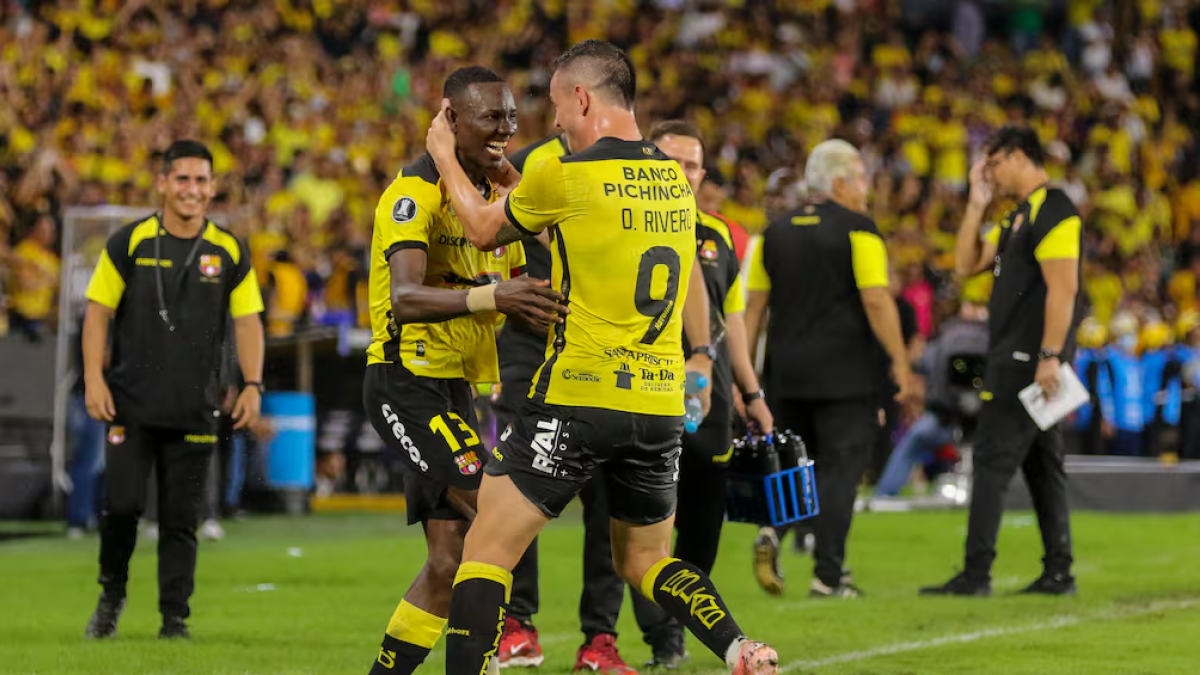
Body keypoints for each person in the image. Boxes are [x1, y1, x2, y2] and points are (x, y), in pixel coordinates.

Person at [425, 40, 778, 675]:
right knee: (646, 561)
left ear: (582, 98)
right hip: (658, 406)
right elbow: (577, 219)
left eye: (559, 105)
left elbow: (481, 226)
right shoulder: (674, 179)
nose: (555, 121)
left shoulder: (565, 173)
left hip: (578, 398)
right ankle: (738, 647)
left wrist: (445, 155)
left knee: (484, 549)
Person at [359, 66, 567, 675]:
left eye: (509, 116)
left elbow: (547, 250)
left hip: (455, 388)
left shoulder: (484, 198)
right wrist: (494, 298)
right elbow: (404, 297)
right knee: (495, 519)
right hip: (406, 382)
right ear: (449, 120)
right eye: (489, 118)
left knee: (449, 562)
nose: (505, 129)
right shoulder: (414, 192)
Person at [496, 134, 723, 670]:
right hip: (536, 346)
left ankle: (599, 638)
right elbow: (495, 236)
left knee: (607, 508)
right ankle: (516, 624)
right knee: (513, 496)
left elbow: (687, 277)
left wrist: (703, 353)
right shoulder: (540, 161)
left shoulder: (644, 177)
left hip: (609, 360)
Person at [82, 140, 265, 639]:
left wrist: (252, 384)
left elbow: (248, 323)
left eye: (201, 180)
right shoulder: (129, 241)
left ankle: (174, 620)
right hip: (129, 403)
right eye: (181, 179)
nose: (192, 189)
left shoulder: (228, 249)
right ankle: (110, 597)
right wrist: (94, 379)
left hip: (195, 407)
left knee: (182, 519)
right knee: (121, 507)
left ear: (212, 188)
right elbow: (96, 313)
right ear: (163, 183)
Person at [744, 139, 915, 599]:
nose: (866, 189)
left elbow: (752, 310)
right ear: (839, 182)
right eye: (860, 178)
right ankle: (829, 575)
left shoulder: (771, 235)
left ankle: (773, 528)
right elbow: (877, 299)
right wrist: (901, 363)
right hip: (846, 374)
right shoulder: (860, 230)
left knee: (791, 467)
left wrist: (747, 377)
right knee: (840, 472)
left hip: (785, 373)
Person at [921, 125, 1081, 597]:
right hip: (1020, 357)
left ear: (1015, 156)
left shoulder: (1054, 210)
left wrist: (1050, 356)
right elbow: (964, 263)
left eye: (992, 165)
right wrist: (975, 203)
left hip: (1027, 360)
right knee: (1042, 464)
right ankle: (1059, 571)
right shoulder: (1018, 217)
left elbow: (1064, 288)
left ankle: (976, 574)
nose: (989, 175)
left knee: (990, 460)